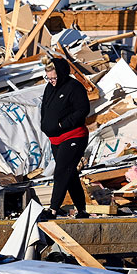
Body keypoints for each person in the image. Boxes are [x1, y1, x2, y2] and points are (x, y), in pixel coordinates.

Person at [39, 56, 90, 220]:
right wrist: (45, 124)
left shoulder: (74, 87)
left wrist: (63, 124)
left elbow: (83, 110)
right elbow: (45, 109)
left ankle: (53, 209)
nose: (52, 81)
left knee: (61, 171)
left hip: (74, 135)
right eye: (49, 78)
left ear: (61, 74)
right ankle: (82, 210)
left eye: (54, 78)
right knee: (70, 174)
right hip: (55, 139)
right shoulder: (49, 88)